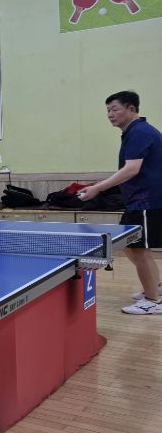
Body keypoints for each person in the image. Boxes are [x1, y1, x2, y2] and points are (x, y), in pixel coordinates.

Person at [77, 90, 162, 314]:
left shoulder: (139, 132)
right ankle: (155, 287)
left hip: (147, 201)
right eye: (108, 110)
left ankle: (152, 302)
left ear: (131, 109)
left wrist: (97, 188)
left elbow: (131, 169)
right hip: (139, 200)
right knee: (131, 246)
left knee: (138, 249)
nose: (110, 114)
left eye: (114, 109)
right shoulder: (135, 131)